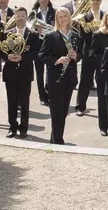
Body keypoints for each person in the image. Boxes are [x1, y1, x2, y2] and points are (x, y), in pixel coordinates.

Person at [38, 8, 81, 145]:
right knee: (56, 111)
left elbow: (80, 55)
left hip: (69, 78)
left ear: (69, 18)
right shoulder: (51, 36)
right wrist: (57, 60)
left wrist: (76, 57)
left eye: (65, 16)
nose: (62, 19)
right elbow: (41, 56)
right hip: (55, 78)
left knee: (63, 112)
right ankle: (58, 141)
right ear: (57, 19)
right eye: (59, 17)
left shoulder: (75, 35)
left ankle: (54, 139)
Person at [0, 7, 40, 138]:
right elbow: (1, 50)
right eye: (18, 15)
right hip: (10, 72)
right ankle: (12, 127)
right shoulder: (7, 33)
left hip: (25, 73)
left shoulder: (33, 34)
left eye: (23, 15)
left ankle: (23, 129)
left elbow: (36, 52)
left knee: (24, 102)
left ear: (26, 17)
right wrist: (7, 57)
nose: (21, 18)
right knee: (11, 102)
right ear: (15, 17)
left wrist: (23, 57)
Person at [88, 10, 108, 137]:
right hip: (104, 73)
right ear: (105, 20)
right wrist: (106, 60)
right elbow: (92, 54)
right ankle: (104, 126)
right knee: (103, 100)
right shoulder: (98, 35)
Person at [75, 0, 104, 117]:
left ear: (100, 1)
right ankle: (80, 106)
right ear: (90, 2)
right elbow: (81, 38)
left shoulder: (105, 15)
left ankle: (103, 109)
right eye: (93, 0)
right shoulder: (84, 17)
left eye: (98, 0)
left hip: (102, 53)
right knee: (85, 81)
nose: (96, 2)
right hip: (88, 53)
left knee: (102, 81)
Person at [31, 0, 55, 106]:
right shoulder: (33, 13)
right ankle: (42, 96)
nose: (44, 0)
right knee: (39, 72)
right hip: (38, 46)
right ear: (38, 0)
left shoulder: (54, 12)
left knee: (50, 71)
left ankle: (49, 93)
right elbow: (28, 29)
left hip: (51, 46)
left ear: (49, 0)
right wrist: (36, 31)